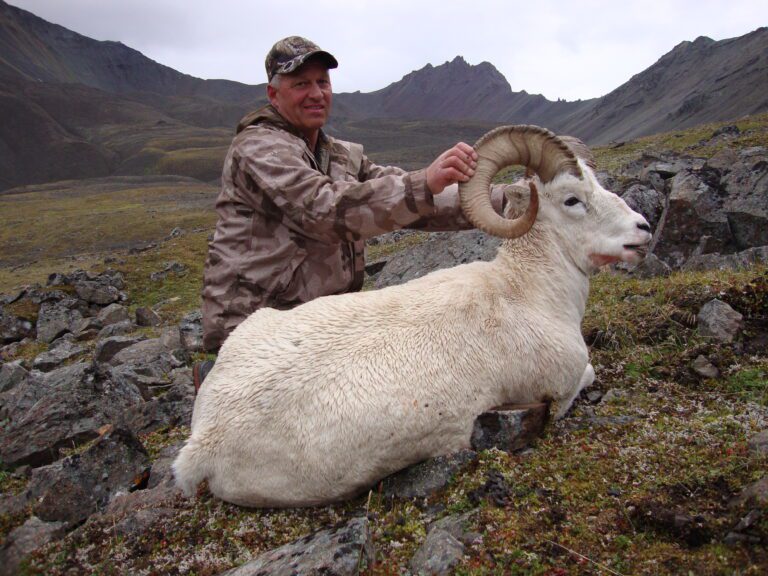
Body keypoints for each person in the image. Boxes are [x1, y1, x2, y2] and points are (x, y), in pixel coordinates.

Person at [194, 36, 505, 389]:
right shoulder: (258, 148)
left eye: (322, 82)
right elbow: (323, 210)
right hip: (260, 327)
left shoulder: (341, 155)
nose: (316, 93)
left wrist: (509, 201)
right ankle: (219, 380)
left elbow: (414, 201)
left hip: (324, 323)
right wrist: (423, 184)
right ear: (273, 94)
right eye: (301, 84)